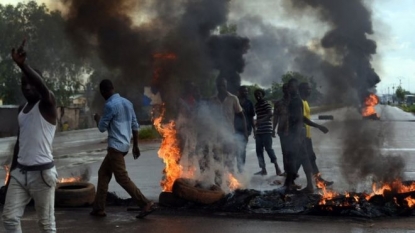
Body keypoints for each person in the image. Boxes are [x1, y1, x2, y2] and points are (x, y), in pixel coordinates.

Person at [2, 39, 59, 232]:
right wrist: (12, 174)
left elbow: (42, 87)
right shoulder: (22, 109)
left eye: (30, 84)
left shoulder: (47, 105)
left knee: (46, 225)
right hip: (20, 173)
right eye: (23, 84)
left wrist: (23, 65)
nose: (27, 87)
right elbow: (20, 142)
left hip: (42, 174)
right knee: (9, 219)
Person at [91, 79, 156, 219]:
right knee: (103, 173)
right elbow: (135, 125)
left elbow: (102, 128)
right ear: (113, 88)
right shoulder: (127, 103)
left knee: (122, 178)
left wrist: (97, 118)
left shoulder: (109, 105)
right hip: (125, 146)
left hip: (115, 147)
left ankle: (145, 203)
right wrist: (136, 146)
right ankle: (98, 208)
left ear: (103, 92)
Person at [210, 77, 247, 183]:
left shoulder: (233, 98)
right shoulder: (213, 100)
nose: (221, 87)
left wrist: (245, 132)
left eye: (223, 85)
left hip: (229, 133)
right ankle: (219, 182)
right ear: (217, 86)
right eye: (219, 85)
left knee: (229, 159)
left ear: (226, 86)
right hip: (216, 135)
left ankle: (230, 183)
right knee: (216, 158)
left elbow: (241, 115)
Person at [298, 82, 333, 187]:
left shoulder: (305, 101)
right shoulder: (300, 101)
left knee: (310, 158)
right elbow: (303, 119)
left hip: (306, 135)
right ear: (301, 89)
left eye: (309, 89)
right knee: (304, 159)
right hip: (301, 136)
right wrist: (319, 126)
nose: (309, 91)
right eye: (306, 89)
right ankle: (289, 182)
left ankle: (318, 181)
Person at [283, 78, 314, 193]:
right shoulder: (295, 100)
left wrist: (296, 137)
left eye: (291, 87)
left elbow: (301, 119)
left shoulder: (296, 101)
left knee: (296, 159)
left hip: (297, 134)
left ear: (296, 88)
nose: (289, 89)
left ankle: (290, 184)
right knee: (302, 159)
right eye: (288, 87)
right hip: (298, 133)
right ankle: (290, 183)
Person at [253, 89, 282, 176]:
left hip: (267, 129)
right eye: (256, 94)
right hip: (259, 131)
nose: (258, 96)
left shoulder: (266, 103)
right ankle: (263, 169)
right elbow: (257, 116)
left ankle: (277, 168)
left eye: (259, 94)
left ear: (263, 95)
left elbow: (270, 113)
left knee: (269, 149)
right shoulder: (257, 105)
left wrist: (260, 120)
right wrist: (256, 125)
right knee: (258, 150)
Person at [235, 86, 255, 173]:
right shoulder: (235, 101)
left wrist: (254, 129)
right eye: (243, 91)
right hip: (234, 129)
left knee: (242, 149)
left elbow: (251, 117)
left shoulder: (249, 103)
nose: (245, 93)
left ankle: (241, 168)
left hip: (246, 130)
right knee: (234, 149)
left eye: (246, 92)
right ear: (239, 92)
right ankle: (235, 168)